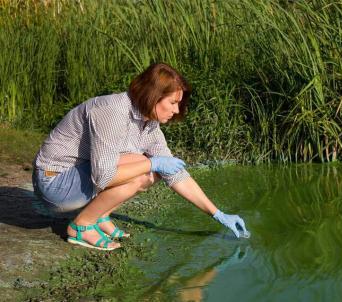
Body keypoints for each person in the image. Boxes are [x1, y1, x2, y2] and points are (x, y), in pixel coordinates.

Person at [32, 63, 248, 251]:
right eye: (173, 102)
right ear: (153, 96)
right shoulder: (113, 111)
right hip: (55, 183)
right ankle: (82, 225)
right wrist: (151, 162)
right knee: (145, 171)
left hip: (79, 174)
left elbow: (176, 175)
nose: (176, 110)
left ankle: (99, 214)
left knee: (156, 170)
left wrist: (218, 214)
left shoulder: (149, 124)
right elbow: (104, 176)